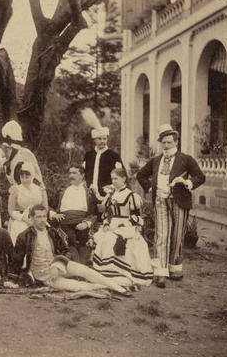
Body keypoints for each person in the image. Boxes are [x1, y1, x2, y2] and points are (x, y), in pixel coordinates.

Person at [136, 124, 206, 287]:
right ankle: (160, 272)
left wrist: (187, 181)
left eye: (169, 142)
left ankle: (174, 268)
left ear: (176, 142)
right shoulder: (156, 160)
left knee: (176, 235)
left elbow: (200, 177)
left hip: (179, 200)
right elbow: (141, 175)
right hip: (160, 200)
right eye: (163, 143)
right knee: (161, 235)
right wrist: (150, 187)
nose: (166, 146)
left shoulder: (186, 159)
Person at [11, 205, 132, 296]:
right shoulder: (24, 236)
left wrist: (56, 265)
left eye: (44, 216)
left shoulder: (52, 232)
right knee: (74, 286)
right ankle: (107, 286)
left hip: (57, 265)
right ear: (31, 218)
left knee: (85, 270)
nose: (43, 220)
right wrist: (13, 279)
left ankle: (118, 288)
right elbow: (17, 259)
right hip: (43, 274)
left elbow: (65, 250)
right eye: (38, 217)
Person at [92, 168, 154, 289]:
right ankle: (108, 273)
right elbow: (106, 215)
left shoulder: (131, 195)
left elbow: (136, 217)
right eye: (112, 179)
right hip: (112, 225)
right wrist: (105, 224)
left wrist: (121, 225)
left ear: (124, 178)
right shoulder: (111, 195)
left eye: (116, 178)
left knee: (117, 240)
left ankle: (122, 273)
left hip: (127, 226)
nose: (113, 181)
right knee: (105, 238)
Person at [49, 165, 98, 265]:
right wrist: (54, 214)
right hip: (65, 223)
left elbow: (94, 213)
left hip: (82, 222)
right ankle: (79, 269)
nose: (71, 175)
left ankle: (80, 268)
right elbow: (49, 205)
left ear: (82, 175)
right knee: (69, 239)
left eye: (74, 173)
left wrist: (86, 223)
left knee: (85, 239)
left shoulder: (89, 193)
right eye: (70, 173)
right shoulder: (61, 191)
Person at [81, 108, 124, 201]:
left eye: (104, 139)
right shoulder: (89, 155)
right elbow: (83, 174)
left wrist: (111, 189)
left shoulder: (113, 156)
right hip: (90, 195)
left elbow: (121, 175)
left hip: (109, 195)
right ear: (94, 140)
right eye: (99, 139)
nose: (102, 141)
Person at [7, 162, 48, 245]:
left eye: (27, 177)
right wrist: (24, 219)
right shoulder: (16, 190)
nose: (24, 180)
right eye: (22, 177)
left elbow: (45, 208)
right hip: (21, 219)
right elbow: (11, 210)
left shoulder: (40, 190)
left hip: (39, 218)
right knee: (21, 232)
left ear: (32, 176)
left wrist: (39, 218)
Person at [1, 120, 43, 187]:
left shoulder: (21, 160)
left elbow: (25, 187)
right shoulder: (13, 159)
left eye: (5, 149)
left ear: (10, 148)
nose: (4, 153)